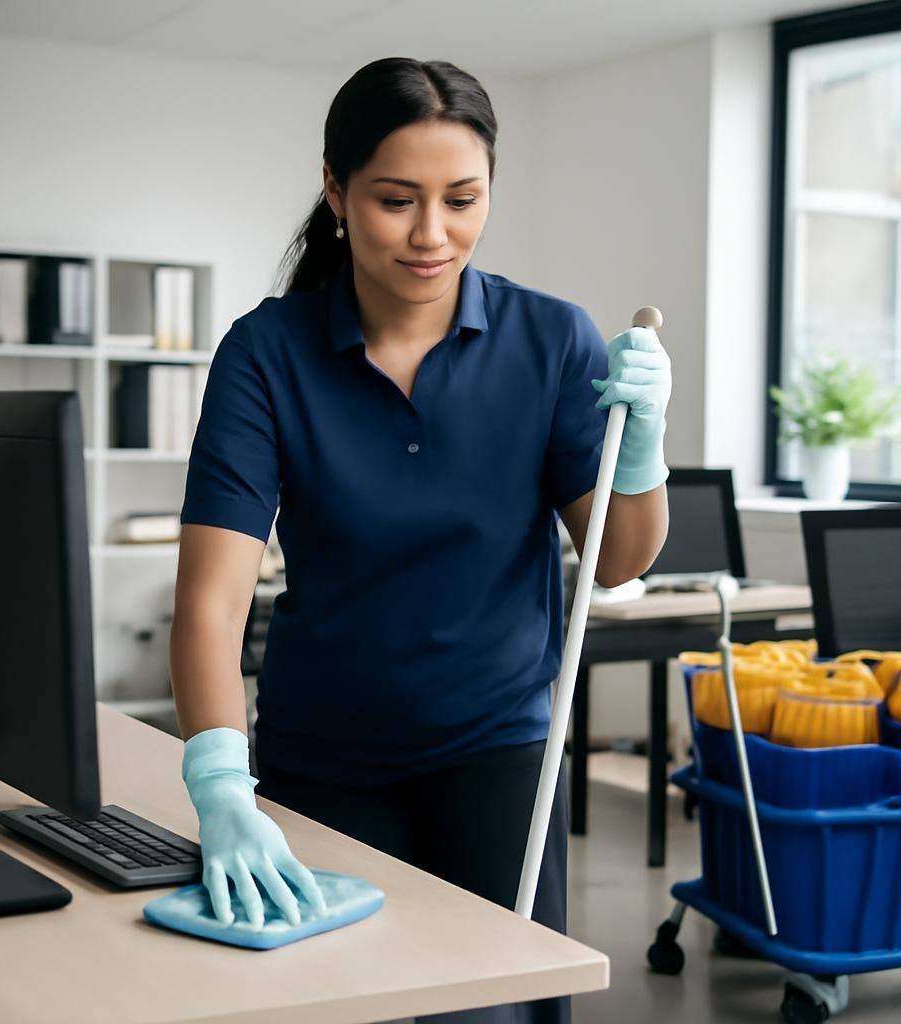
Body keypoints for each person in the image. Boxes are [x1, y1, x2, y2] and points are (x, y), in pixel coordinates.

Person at [170, 57, 670, 1024]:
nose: (432, 234)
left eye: (462, 199)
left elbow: (617, 560)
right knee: (335, 1007)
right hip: (324, 758)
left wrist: (641, 451)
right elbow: (212, 598)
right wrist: (219, 782)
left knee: (492, 1011)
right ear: (337, 191)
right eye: (397, 200)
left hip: (498, 752)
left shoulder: (551, 339)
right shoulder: (266, 353)